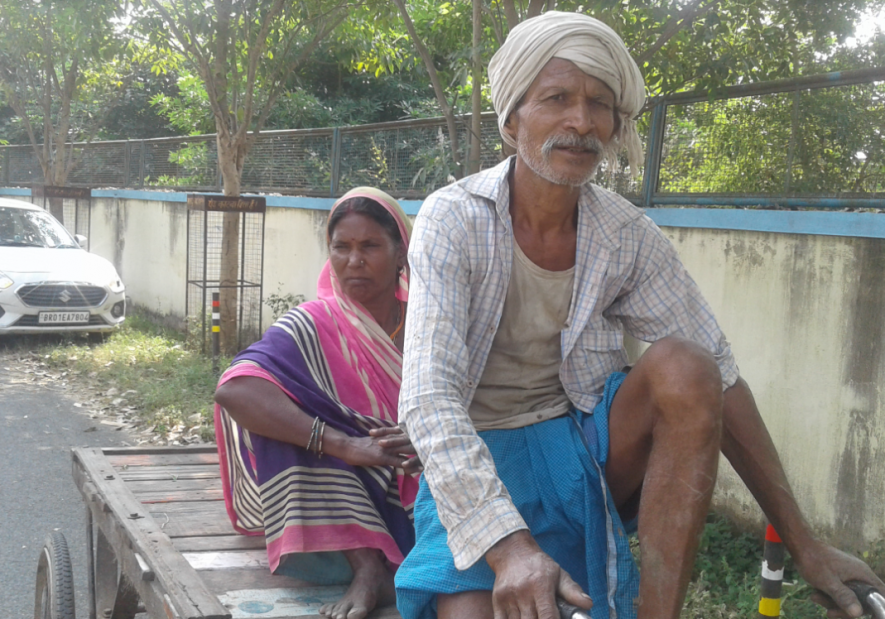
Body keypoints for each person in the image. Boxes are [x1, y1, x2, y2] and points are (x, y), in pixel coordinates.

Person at [394, 11, 884, 619]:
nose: (582, 121)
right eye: (557, 98)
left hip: (577, 446)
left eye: (600, 104)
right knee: (471, 613)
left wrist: (807, 545)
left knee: (687, 365)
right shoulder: (453, 218)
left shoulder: (627, 235)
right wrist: (509, 547)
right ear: (512, 117)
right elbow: (427, 397)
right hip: (476, 454)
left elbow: (720, 381)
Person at [214, 187, 421, 619]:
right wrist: (346, 445)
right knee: (288, 425)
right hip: (342, 494)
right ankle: (367, 566)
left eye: (370, 246)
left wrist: (425, 431)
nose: (353, 260)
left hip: (420, 474)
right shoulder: (314, 322)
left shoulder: (429, 320)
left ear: (401, 252)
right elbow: (235, 390)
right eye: (341, 247)